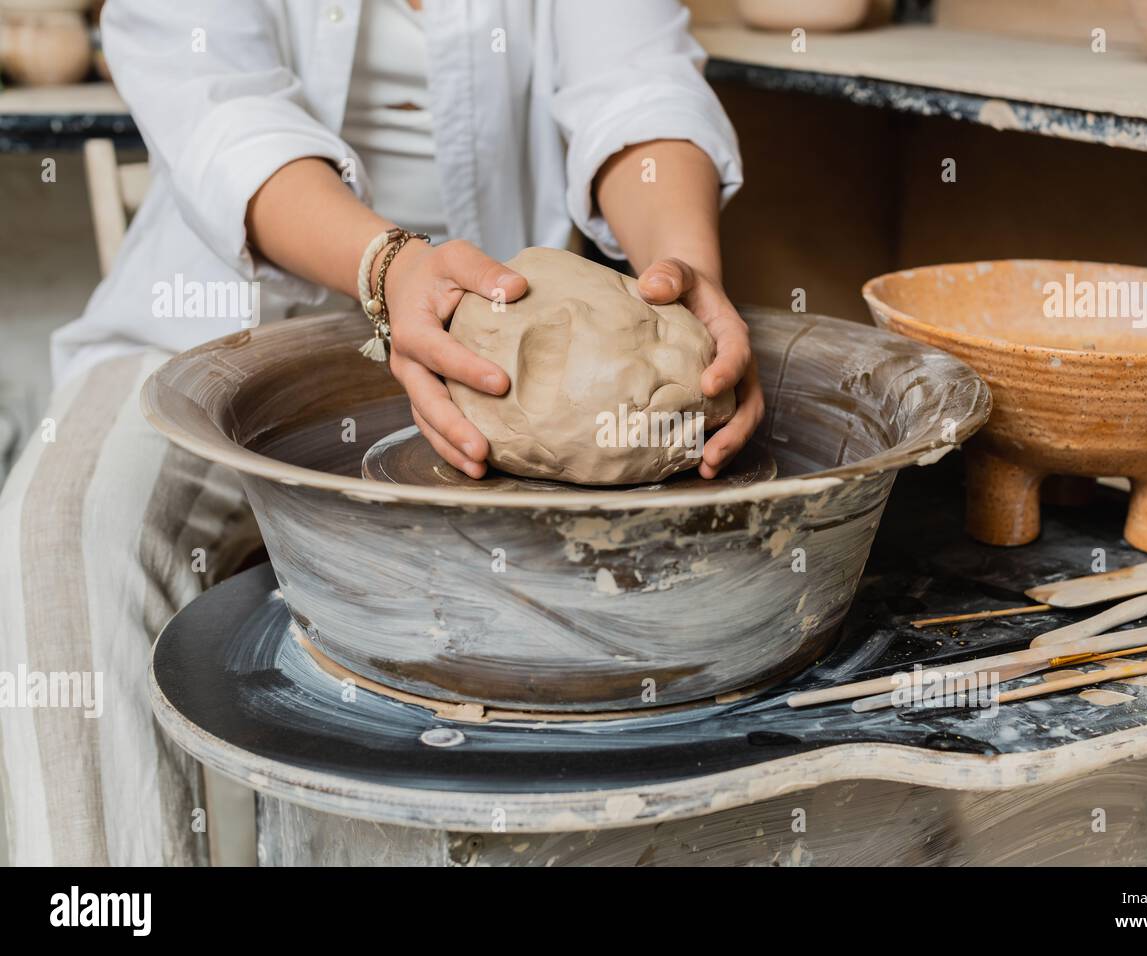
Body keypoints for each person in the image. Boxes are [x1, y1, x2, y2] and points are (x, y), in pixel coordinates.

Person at [0, 0, 757, 865]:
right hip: (215, 319)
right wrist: (384, 266)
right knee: (62, 533)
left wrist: (679, 271)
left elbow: (634, 85)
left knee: (424, 649)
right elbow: (220, 106)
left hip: (502, 357)